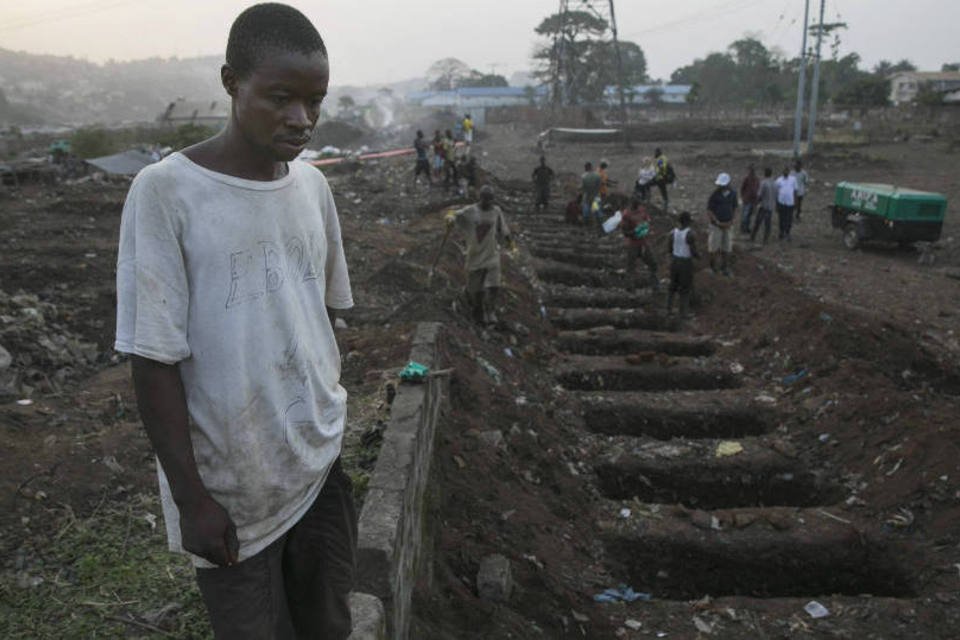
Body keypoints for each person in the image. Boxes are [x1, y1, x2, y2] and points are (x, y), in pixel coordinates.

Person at [114, 4, 356, 639]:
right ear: (230, 83)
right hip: (232, 495)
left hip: (318, 466)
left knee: (328, 625)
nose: (301, 119)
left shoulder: (312, 190)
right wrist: (193, 500)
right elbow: (153, 358)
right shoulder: (167, 192)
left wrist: (324, 418)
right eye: (280, 97)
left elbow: (324, 317)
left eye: (315, 101)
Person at [446, 185, 512, 324]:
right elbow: (454, 213)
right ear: (480, 198)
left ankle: (491, 310)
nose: (488, 203)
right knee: (476, 289)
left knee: (494, 285)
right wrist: (450, 218)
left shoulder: (496, 211)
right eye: (485, 200)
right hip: (475, 254)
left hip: (492, 253)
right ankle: (477, 310)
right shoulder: (471, 211)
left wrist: (510, 243)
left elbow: (503, 229)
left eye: (490, 200)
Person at [620, 196, 658, 291]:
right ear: (632, 203)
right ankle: (630, 287)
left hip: (643, 243)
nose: (637, 204)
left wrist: (645, 229)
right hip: (633, 244)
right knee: (631, 267)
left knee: (653, 263)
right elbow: (624, 232)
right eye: (635, 202)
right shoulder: (627, 215)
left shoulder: (642, 211)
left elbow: (647, 222)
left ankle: (655, 285)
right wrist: (634, 232)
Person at [666, 211, 699, 318]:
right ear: (688, 222)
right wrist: (698, 257)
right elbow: (693, 251)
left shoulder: (672, 233)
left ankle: (668, 309)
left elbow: (669, 249)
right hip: (685, 263)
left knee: (672, 287)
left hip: (674, 261)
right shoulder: (690, 234)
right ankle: (683, 313)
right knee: (685, 289)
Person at [706, 172, 737, 275]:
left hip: (728, 225)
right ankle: (712, 267)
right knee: (714, 247)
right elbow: (710, 210)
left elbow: (735, 207)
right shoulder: (715, 195)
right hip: (716, 226)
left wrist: (732, 221)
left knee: (727, 247)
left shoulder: (733, 194)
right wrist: (717, 222)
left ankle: (725, 268)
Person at [751, 167, 776, 245]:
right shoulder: (774, 183)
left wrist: (755, 205)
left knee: (758, 222)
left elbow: (759, 195)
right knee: (768, 224)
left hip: (763, 206)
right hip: (771, 206)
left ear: (765, 173)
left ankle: (752, 237)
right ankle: (765, 239)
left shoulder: (764, 183)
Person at [775, 166, 798, 241]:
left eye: (787, 171)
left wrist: (795, 202)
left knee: (789, 219)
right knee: (781, 218)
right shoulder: (778, 180)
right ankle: (781, 232)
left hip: (790, 203)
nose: (786, 172)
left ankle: (787, 233)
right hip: (781, 202)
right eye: (784, 171)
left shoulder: (793, 179)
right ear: (782, 172)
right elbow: (776, 192)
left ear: (789, 172)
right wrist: (776, 203)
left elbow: (795, 191)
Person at [580, 161, 602, 226]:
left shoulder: (584, 176)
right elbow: (599, 186)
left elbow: (583, 188)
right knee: (597, 210)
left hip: (587, 196)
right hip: (596, 196)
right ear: (591, 167)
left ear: (586, 168)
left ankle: (586, 224)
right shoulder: (597, 175)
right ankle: (600, 223)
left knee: (586, 210)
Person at [739, 165, 759, 234]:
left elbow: (757, 190)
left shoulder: (756, 179)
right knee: (745, 215)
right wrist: (743, 197)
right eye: (751, 171)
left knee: (749, 215)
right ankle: (743, 228)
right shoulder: (747, 179)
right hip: (747, 200)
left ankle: (746, 227)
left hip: (753, 200)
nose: (752, 172)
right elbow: (742, 188)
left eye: (752, 171)